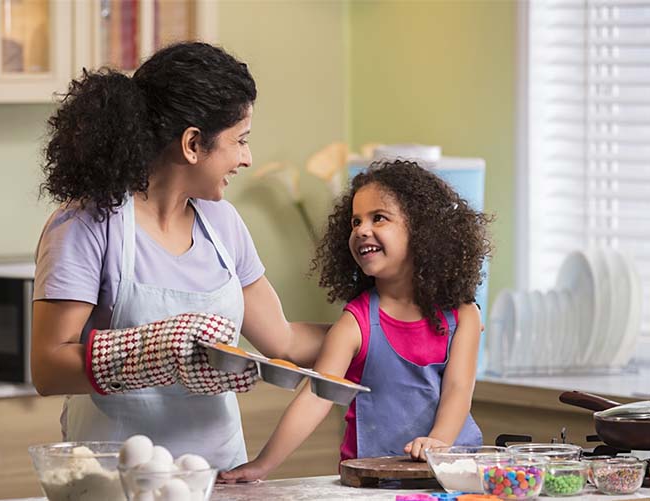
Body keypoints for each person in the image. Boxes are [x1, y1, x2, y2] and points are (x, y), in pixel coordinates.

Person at [30, 41, 327, 471]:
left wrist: (374, 329)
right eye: (239, 141)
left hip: (220, 477)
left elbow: (282, 341)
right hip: (116, 481)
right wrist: (154, 352)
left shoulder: (223, 224)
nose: (247, 158)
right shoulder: (87, 224)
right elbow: (47, 367)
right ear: (192, 144)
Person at [220, 159, 494, 482]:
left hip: (451, 478)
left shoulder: (464, 315)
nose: (362, 229)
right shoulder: (355, 323)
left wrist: (438, 443)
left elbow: (458, 390)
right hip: (372, 485)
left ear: (422, 230)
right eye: (355, 221)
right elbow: (316, 396)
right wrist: (261, 465)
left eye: (378, 218)